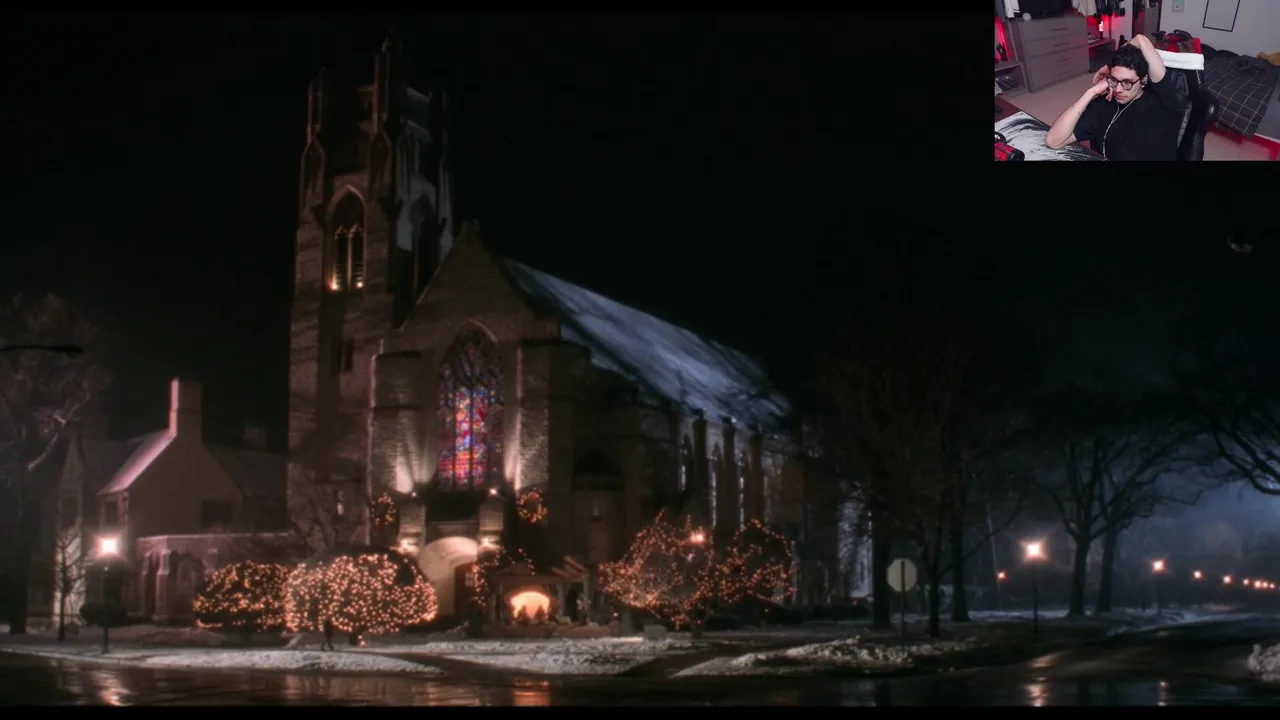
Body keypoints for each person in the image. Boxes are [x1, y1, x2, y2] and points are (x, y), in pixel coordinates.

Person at [1045, 35, 1189, 160]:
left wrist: (1108, 65)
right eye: (1114, 80)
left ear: (1143, 80)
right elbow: (1053, 141)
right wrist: (1090, 93)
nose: (1118, 89)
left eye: (1127, 82)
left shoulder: (1164, 101)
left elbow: (1140, 40)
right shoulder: (1102, 104)